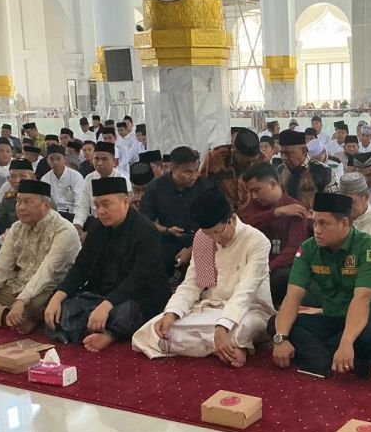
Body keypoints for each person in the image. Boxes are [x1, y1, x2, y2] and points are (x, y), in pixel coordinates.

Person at [132, 188, 274, 364]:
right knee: (153, 330)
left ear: (231, 219)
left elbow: (246, 291)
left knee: (242, 330)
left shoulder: (257, 241)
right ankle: (222, 348)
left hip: (250, 310)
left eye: (218, 231)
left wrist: (223, 326)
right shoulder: (203, 238)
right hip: (210, 309)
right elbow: (191, 284)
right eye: (208, 233)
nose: (215, 239)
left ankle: (219, 343)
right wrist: (171, 313)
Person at [268, 192, 371, 378]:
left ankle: (320, 358)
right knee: (275, 323)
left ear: (344, 223)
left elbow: (362, 299)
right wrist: (281, 338)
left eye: (324, 223)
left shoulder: (369, 247)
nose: (317, 230)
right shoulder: (308, 248)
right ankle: (342, 360)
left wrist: (346, 342)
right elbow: (292, 297)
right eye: (315, 223)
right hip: (333, 318)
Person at [45, 177, 169, 352]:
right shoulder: (97, 227)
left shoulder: (146, 231)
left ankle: (109, 334)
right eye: (97, 205)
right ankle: (100, 328)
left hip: (138, 296)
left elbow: (139, 279)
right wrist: (57, 297)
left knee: (124, 313)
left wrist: (107, 304)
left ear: (125, 202)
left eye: (106, 204)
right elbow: (81, 267)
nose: (101, 211)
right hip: (101, 294)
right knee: (61, 307)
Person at [0, 180, 80, 333]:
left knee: (37, 304)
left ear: (46, 205)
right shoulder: (17, 228)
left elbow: (46, 272)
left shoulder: (64, 231)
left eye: (27, 202)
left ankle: (15, 315)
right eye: (19, 201)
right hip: (19, 285)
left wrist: (21, 300)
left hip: (48, 288)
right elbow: (1, 267)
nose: (21, 207)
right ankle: (10, 317)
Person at [240, 162, 309, 307]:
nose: (253, 196)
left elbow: (293, 250)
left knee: (282, 276)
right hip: (253, 262)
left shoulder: (296, 209)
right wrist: (276, 212)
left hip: (279, 269)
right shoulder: (254, 207)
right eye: (251, 192)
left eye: (256, 190)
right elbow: (245, 226)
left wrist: (267, 268)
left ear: (272, 184)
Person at [140, 146, 210, 271]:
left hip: (202, 243)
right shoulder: (156, 188)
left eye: (196, 171)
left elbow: (217, 223)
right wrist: (167, 230)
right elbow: (145, 221)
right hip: (168, 241)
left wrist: (192, 249)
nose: (193, 176)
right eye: (188, 172)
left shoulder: (205, 187)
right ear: (172, 168)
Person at [73, 142, 128, 234]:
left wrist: (90, 233)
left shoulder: (122, 179)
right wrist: (77, 225)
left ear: (115, 162)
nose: (99, 163)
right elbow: (83, 205)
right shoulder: (89, 178)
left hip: (115, 223)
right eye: (96, 159)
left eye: (104, 159)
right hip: (94, 220)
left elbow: (123, 212)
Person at [276, 130, 336, 210]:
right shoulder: (280, 170)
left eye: (289, 153)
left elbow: (332, 206)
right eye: (282, 153)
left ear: (304, 150)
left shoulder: (324, 171)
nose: (284, 158)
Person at [41, 144, 84, 220]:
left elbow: (80, 203)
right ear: (47, 160)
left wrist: (77, 222)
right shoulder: (45, 179)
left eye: (58, 158)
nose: (55, 162)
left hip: (72, 215)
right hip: (53, 216)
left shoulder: (76, 176)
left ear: (64, 159)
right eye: (51, 159)